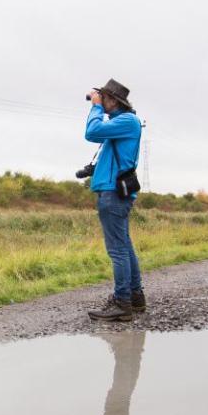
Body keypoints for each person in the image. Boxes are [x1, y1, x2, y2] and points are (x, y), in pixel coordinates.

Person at [85, 79, 144, 322]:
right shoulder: (121, 125)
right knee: (124, 246)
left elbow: (92, 132)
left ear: (114, 100)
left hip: (112, 194)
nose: (100, 101)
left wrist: (95, 107)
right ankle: (135, 297)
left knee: (117, 250)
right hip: (113, 191)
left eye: (104, 98)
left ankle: (122, 303)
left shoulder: (127, 121)